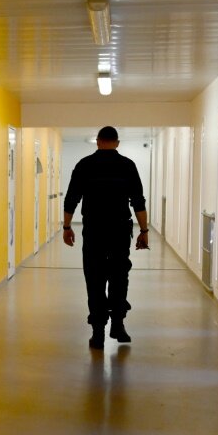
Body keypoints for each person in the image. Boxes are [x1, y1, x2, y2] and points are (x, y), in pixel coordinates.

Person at [62, 126, 149, 350]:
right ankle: (118, 326)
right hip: (120, 231)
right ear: (117, 143)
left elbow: (71, 199)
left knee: (95, 279)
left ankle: (98, 332)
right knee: (120, 277)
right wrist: (144, 231)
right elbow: (138, 201)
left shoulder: (84, 165)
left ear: (98, 142)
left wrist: (67, 226)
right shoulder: (127, 165)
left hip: (94, 232)